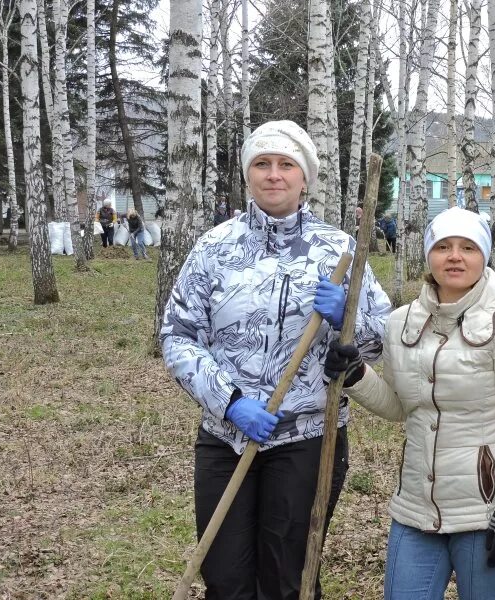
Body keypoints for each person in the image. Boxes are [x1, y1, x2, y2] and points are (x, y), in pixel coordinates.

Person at [160, 119, 391, 599]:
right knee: (225, 577)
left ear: (304, 178)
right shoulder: (214, 248)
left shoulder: (340, 252)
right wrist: (230, 402)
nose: (274, 174)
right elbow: (179, 336)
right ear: (248, 175)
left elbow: (381, 341)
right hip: (225, 439)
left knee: (289, 578)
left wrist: (344, 320)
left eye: (286, 164)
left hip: (305, 439)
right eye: (262, 164)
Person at [325, 207, 495, 600]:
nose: (455, 256)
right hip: (415, 508)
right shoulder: (402, 321)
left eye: (468, 247)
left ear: (485, 255)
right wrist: (357, 376)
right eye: (443, 246)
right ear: (429, 254)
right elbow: (400, 406)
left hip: (486, 512)